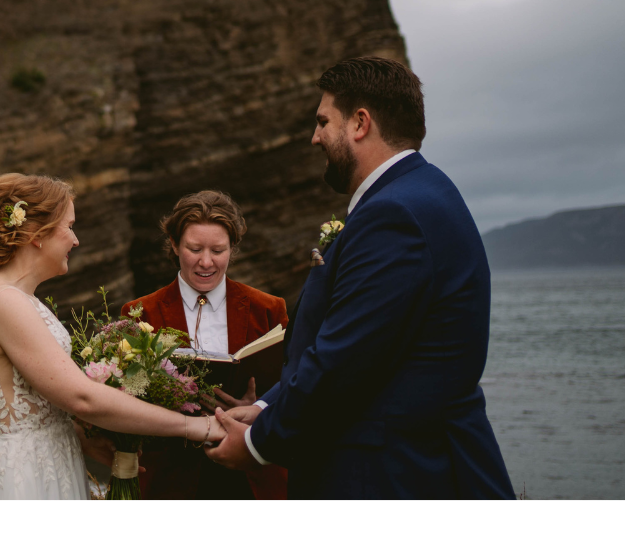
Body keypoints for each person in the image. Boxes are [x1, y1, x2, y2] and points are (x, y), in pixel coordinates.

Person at [205, 57, 516, 501]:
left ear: (360, 123)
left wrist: (257, 444)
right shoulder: (423, 193)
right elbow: (362, 351)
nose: (315, 137)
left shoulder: (394, 216)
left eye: (323, 121)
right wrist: (264, 407)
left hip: (393, 475)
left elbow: (343, 360)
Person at [0, 172, 225, 501]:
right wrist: (194, 426)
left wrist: (82, 438)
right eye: (69, 226)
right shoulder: (7, 302)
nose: (75, 240)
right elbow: (81, 397)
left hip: (37, 463)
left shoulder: (2, 296)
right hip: (25, 477)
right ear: (38, 234)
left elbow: (26, 402)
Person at [118, 190, 289, 501]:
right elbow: (125, 399)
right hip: (171, 479)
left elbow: (297, 384)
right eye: (194, 249)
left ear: (232, 248)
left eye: (218, 250)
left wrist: (257, 407)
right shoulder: (139, 313)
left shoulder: (269, 308)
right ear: (174, 245)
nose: (206, 262)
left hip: (252, 474)